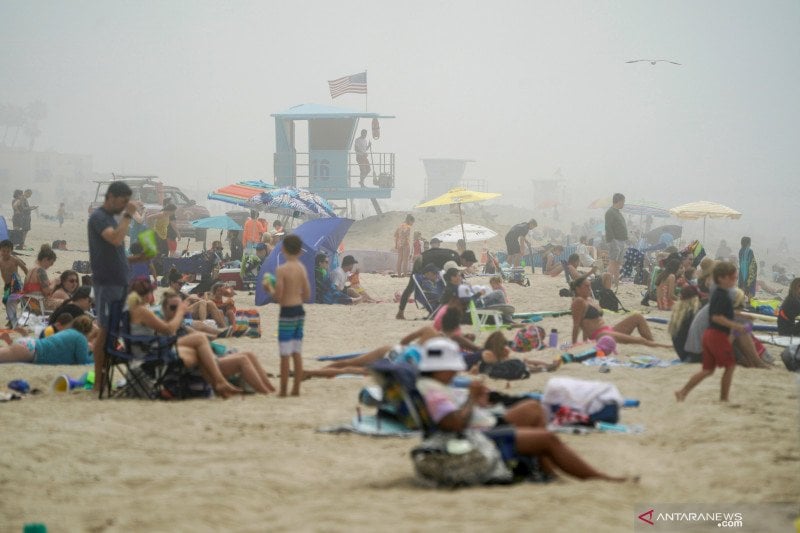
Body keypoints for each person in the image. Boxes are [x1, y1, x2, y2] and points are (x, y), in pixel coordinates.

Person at [415, 338, 629, 482]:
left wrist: (478, 401)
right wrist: (471, 398)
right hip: (477, 436)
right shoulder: (432, 391)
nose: (454, 372)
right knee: (547, 438)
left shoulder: (434, 386)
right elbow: (454, 424)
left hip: (482, 424)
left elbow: (455, 416)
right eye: (451, 368)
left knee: (533, 408)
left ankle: (546, 471)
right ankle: (600, 478)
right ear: (439, 368)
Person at [126, 278, 255, 398]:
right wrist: (180, 312)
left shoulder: (133, 310)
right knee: (199, 342)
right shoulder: (142, 311)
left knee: (198, 343)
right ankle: (220, 381)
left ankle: (218, 382)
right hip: (150, 354)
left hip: (147, 350)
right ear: (148, 295)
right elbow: (169, 329)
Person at [88, 180, 136, 392]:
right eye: (123, 201)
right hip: (107, 283)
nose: (125, 205)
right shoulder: (99, 217)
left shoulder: (111, 218)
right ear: (112, 197)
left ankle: (104, 378)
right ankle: (99, 382)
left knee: (112, 332)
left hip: (118, 281)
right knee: (105, 331)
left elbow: (116, 251)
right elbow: (115, 240)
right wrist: (128, 215)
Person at [676, 262, 746, 402]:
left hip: (709, 335)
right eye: (731, 278)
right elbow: (716, 317)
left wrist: (744, 317)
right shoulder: (722, 295)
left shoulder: (718, 293)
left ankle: (682, 392)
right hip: (716, 335)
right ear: (721, 278)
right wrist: (736, 326)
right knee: (730, 365)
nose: (734, 280)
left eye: (735, 278)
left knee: (708, 370)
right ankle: (724, 398)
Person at [570, 275, 669, 348]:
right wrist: (574, 344)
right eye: (586, 286)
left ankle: (652, 343)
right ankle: (662, 346)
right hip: (601, 336)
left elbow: (587, 321)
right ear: (578, 289)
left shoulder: (589, 299)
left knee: (637, 317)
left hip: (608, 330)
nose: (589, 289)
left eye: (590, 286)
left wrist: (585, 341)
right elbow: (577, 325)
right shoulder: (578, 302)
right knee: (639, 340)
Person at [272, 235, 310, 396]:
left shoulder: (282, 270)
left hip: (287, 312)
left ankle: (283, 390)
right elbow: (307, 294)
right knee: (297, 351)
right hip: (299, 311)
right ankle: (296, 389)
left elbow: (278, 295)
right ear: (299, 251)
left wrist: (270, 289)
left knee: (285, 354)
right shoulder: (301, 268)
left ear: (283, 249)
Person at [396, 249, 477, 319]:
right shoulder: (454, 260)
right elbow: (453, 274)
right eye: (470, 263)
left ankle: (400, 312)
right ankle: (400, 313)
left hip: (423, 257)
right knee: (411, 287)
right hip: (422, 261)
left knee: (410, 287)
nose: (470, 266)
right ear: (464, 259)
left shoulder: (455, 255)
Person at [0, 315, 94, 364]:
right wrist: (95, 355)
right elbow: (83, 361)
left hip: (30, 345)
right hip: (31, 350)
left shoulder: (69, 332)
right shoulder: (80, 338)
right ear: (88, 332)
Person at [1, 239, 28, 327]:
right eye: (3, 251)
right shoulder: (0, 260)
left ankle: (13, 321)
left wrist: (27, 280)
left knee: (10, 301)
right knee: (5, 301)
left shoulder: (14, 260)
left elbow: (24, 268)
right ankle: (12, 318)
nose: (5, 253)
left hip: (16, 283)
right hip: (7, 285)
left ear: (11, 251)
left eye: (7, 251)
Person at [22, 244, 57, 310]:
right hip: (38, 304)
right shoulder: (40, 270)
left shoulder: (31, 270)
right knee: (67, 303)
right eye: (51, 263)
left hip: (27, 302)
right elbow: (46, 291)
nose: (51, 266)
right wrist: (55, 282)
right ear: (45, 259)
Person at [604, 193, 628, 288]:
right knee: (613, 262)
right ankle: (606, 282)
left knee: (617, 263)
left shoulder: (617, 212)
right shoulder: (610, 212)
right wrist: (612, 241)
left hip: (621, 241)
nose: (623, 204)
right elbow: (608, 227)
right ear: (619, 201)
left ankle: (616, 282)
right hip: (615, 241)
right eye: (623, 202)